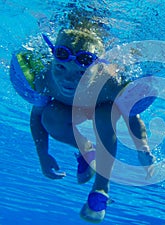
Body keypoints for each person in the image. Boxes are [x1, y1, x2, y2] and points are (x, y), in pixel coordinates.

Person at [10, 25, 156, 223]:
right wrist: (42, 154)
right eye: (60, 67)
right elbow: (36, 116)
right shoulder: (44, 79)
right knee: (49, 116)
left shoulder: (112, 84)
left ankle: (101, 188)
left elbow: (132, 117)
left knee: (104, 115)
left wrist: (142, 147)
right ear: (53, 58)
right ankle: (87, 151)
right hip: (67, 112)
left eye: (81, 73)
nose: (67, 80)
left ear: (99, 68)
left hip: (103, 111)